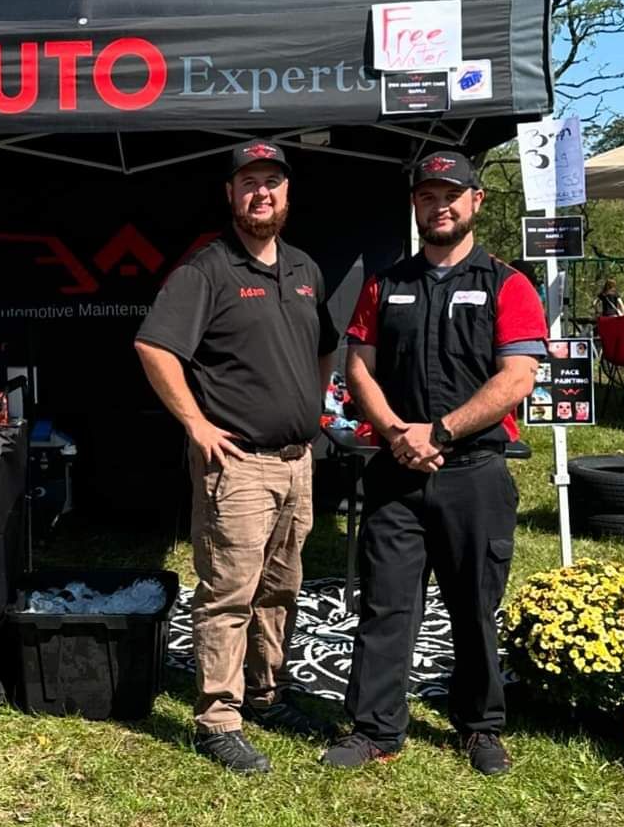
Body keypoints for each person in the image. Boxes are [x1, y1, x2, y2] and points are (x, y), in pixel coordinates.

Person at [320, 149, 546, 778]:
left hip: (472, 472)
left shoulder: (507, 283)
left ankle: (479, 727)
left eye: (451, 195)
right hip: (395, 471)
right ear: (415, 205)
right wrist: (396, 431)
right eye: (427, 196)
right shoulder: (385, 284)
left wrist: (440, 431)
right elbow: (357, 367)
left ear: (475, 202)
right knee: (387, 605)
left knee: (474, 605)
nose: (439, 205)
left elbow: (519, 377)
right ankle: (376, 729)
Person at [135, 140, 338, 773]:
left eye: (272, 182)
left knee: (281, 588)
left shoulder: (305, 270)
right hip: (238, 466)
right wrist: (195, 423)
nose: (262, 193)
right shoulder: (208, 270)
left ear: (288, 192)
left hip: (297, 462)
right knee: (228, 593)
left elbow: (324, 349)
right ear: (230, 194)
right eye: (249, 183)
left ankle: (267, 692)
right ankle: (218, 717)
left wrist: (317, 399)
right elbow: (154, 347)